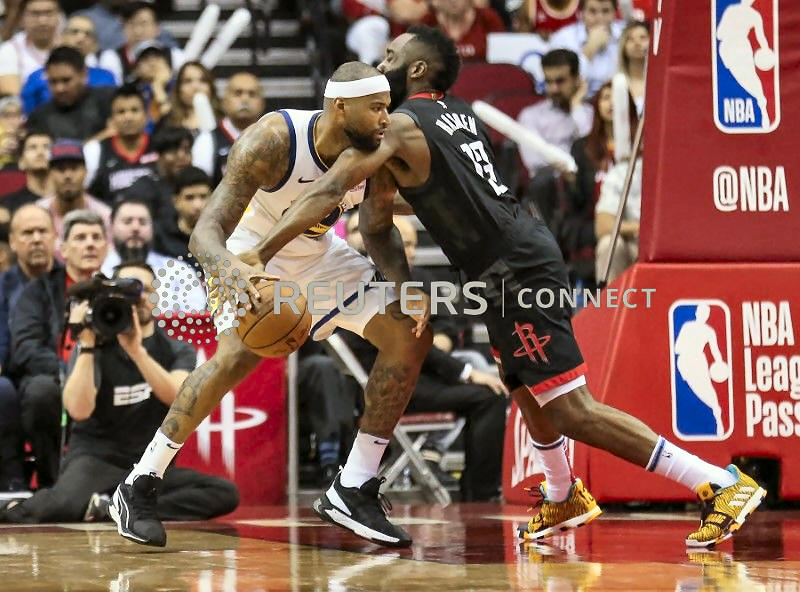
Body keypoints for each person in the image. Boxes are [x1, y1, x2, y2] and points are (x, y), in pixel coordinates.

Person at [265, 26, 766, 548]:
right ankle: (562, 492)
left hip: (516, 269)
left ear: (416, 69)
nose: (380, 62)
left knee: (571, 408)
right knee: (522, 385)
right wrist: (404, 286)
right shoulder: (458, 113)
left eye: (391, 55)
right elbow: (381, 221)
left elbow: (333, 189)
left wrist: (260, 251)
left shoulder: (403, 125)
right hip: (503, 264)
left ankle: (717, 483)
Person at [109, 62, 434, 549]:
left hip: (319, 256)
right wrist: (232, 270)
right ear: (339, 107)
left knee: (410, 330)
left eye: (388, 107)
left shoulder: (376, 150)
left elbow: (377, 227)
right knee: (235, 358)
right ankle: (140, 482)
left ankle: (354, 485)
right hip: (248, 253)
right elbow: (204, 233)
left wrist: (404, 284)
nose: (387, 118)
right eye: (376, 108)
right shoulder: (274, 139)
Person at [0, 260, 239, 523]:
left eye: (145, 290)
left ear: (156, 298)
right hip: (96, 460)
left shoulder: (177, 349)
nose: (137, 299)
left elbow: (177, 399)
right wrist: (86, 344)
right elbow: (78, 410)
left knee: (223, 493)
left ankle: (111, 508)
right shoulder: (93, 345)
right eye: (126, 292)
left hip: (150, 465)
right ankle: (111, 505)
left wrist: (137, 352)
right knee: (58, 507)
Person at [8, 209, 108, 487]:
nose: (89, 244)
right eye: (80, 238)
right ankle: (54, 483)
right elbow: (26, 346)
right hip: (55, 378)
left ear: (106, 247)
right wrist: (68, 372)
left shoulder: (117, 291)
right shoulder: (38, 291)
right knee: (41, 392)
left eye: (96, 237)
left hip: (108, 378)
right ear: (63, 249)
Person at [0, 205, 56, 496]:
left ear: (55, 236)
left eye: (42, 231)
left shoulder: (71, 282)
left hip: (64, 372)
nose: (36, 239)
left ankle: (54, 482)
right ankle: (12, 481)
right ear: (12, 242)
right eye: (27, 233)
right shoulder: (2, 288)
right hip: (16, 376)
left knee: (44, 388)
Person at [100, 197, 206, 314]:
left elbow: (195, 317)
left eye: (143, 222)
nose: (135, 228)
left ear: (153, 227)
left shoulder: (179, 271)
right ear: (111, 227)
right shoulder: (98, 270)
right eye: (127, 221)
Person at [20, 15, 117, 115]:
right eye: (74, 32)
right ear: (61, 36)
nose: (81, 38)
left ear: (94, 43)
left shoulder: (106, 77)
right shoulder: (36, 77)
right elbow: (28, 115)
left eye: (88, 34)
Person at [83, 84, 159, 206]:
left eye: (134, 110)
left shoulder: (160, 146)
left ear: (146, 116)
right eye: (121, 112)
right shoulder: (95, 150)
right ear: (111, 119)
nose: (128, 117)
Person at [36, 139, 112, 259]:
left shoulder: (104, 216)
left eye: (74, 168)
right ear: (50, 174)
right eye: (61, 169)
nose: (68, 176)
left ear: (85, 172)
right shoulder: (37, 214)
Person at [26, 46, 116, 141]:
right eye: (53, 82)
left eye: (66, 80)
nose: (59, 88)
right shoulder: (39, 117)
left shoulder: (109, 101)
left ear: (83, 75)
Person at [192, 71, 266, 186]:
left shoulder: (274, 138)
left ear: (262, 103)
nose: (245, 99)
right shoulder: (207, 140)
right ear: (224, 101)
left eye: (252, 94)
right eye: (238, 93)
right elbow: (199, 187)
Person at [549, 0, 623, 96]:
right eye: (592, 11)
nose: (599, 18)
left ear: (614, 13)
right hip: (575, 102)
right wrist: (589, 50)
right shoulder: (562, 39)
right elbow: (561, 83)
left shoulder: (626, 36)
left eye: (605, 11)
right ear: (582, 13)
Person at [0, 0, 61, 96]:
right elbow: (13, 95)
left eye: (49, 13)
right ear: (22, 18)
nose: (42, 21)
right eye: (35, 14)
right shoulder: (8, 50)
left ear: (59, 16)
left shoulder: (71, 45)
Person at [154, 166, 211, 268]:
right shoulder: (161, 238)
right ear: (176, 201)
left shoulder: (224, 234)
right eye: (189, 198)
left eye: (203, 197)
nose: (198, 205)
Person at [0, 131, 52, 225]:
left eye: (47, 147)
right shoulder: (7, 206)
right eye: (32, 147)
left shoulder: (69, 198)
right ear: (21, 162)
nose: (40, 152)